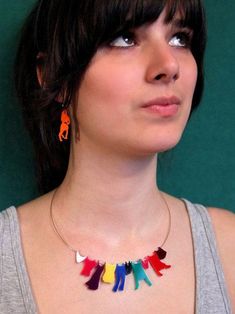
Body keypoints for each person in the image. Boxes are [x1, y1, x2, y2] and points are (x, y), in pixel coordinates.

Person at [0, 0, 234, 313]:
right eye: (124, 38)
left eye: (180, 38)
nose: (170, 65)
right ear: (53, 75)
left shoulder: (228, 247)